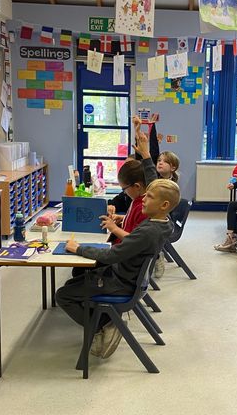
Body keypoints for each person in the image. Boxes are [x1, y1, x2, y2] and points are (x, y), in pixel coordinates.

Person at [57, 179, 178, 358]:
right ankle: (102, 320)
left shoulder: (148, 231)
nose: (143, 199)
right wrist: (118, 225)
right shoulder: (163, 223)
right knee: (75, 279)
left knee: (63, 295)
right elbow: (133, 240)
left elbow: (111, 255)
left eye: (149, 197)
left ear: (164, 205)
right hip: (128, 277)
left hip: (121, 282)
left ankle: (104, 324)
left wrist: (79, 248)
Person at [100, 124, 158, 245]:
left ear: (137, 186)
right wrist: (124, 218)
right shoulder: (139, 200)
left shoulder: (145, 206)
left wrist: (114, 229)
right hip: (121, 252)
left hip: (121, 259)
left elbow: (134, 241)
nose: (124, 192)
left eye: (124, 189)